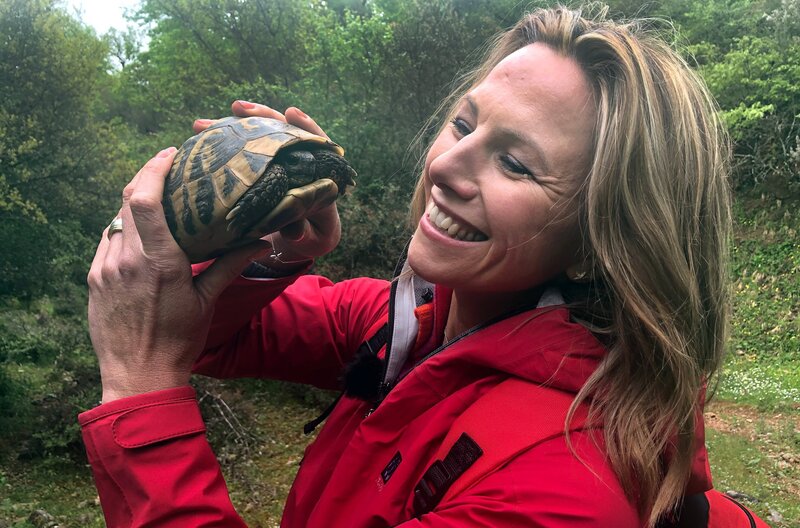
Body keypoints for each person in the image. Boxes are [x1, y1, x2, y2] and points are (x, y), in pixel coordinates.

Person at [81, 6, 731, 528]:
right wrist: (278, 250)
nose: (444, 165)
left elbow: (169, 355)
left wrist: (140, 395)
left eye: (514, 162)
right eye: (462, 123)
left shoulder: (562, 486)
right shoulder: (413, 321)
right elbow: (214, 339)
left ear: (600, 241)